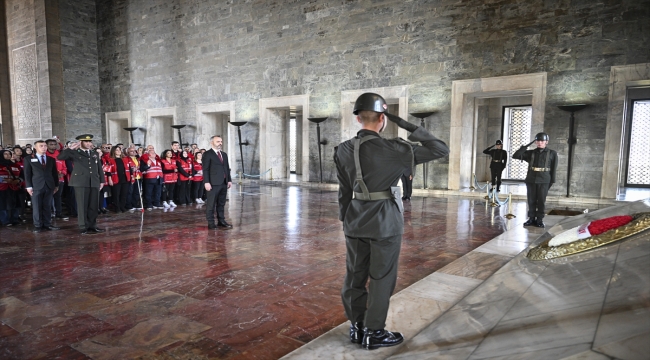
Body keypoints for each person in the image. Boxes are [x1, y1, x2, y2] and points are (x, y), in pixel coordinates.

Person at [334, 93, 449, 350]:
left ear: (357, 118)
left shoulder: (342, 149)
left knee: (354, 275)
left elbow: (343, 191)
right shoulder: (395, 149)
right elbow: (440, 148)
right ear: (382, 119)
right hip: (384, 222)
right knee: (381, 278)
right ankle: (374, 332)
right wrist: (405, 124)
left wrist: (345, 219)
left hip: (354, 220)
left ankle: (357, 326)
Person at [57, 134, 105, 234]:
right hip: (80, 182)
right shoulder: (74, 153)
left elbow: (99, 167)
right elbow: (60, 156)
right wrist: (70, 148)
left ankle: (92, 225)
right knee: (82, 204)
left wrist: (102, 181)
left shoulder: (94, 153)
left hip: (94, 181)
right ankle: (83, 226)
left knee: (93, 205)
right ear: (81, 142)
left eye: (89, 141)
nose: (88, 143)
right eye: (86, 142)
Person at [513, 132, 558, 228]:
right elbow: (515, 156)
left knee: (541, 200)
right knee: (531, 200)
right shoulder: (530, 153)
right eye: (538, 141)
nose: (540, 143)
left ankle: (540, 219)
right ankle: (531, 218)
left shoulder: (552, 153)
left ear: (546, 142)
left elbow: (554, 168)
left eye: (542, 141)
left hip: (545, 179)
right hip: (531, 179)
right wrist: (524, 148)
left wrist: (551, 181)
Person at [23, 141, 60, 232]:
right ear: (35, 147)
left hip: (49, 185)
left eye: (45, 146)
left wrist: (56, 185)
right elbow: (27, 174)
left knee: (47, 206)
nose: (44, 147)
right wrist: (29, 186)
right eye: (41, 146)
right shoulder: (29, 158)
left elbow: (54, 173)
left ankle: (47, 224)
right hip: (36, 185)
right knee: (37, 206)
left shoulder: (50, 159)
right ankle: (38, 225)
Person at [203, 135, 233, 229]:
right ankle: (211, 223)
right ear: (212, 143)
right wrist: (206, 182)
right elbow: (205, 169)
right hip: (213, 183)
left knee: (221, 203)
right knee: (211, 204)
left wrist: (229, 180)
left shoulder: (224, 154)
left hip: (223, 183)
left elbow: (227, 168)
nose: (220, 143)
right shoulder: (207, 154)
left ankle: (221, 221)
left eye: (221, 141)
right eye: (218, 141)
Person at [46, 138, 68, 220]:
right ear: (47, 145)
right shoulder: (45, 155)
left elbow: (64, 167)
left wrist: (62, 173)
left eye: (54, 144)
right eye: (51, 144)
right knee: (48, 197)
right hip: (49, 179)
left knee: (58, 196)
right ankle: (49, 213)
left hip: (60, 179)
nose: (53, 146)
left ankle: (59, 213)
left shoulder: (59, 154)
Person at [0, 150, 23, 227]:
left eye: (9, 154)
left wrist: (18, 180)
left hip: (14, 187)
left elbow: (22, 176)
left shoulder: (16, 165)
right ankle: (5, 220)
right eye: (5, 154)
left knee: (15, 204)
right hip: (2, 188)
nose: (8, 155)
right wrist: (4, 180)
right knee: (2, 205)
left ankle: (15, 219)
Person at [140, 146, 164, 211]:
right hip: (149, 179)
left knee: (158, 192)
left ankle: (157, 203)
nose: (154, 154)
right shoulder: (145, 161)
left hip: (158, 179)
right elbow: (141, 169)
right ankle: (149, 204)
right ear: (148, 154)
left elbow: (161, 170)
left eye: (154, 153)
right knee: (149, 192)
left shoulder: (158, 161)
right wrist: (147, 165)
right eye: (152, 153)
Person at [108, 146, 131, 213]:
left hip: (125, 178)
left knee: (124, 194)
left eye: (119, 150)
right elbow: (108, 171)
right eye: (117, 150)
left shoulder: (124, 159)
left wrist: (131, 176)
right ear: (113, 151)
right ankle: (117, 208)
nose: (118, 151)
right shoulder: (110, 160)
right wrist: (110, 179)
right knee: (116, 194)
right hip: (115, 179)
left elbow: (128, 168)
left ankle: (122, 207)